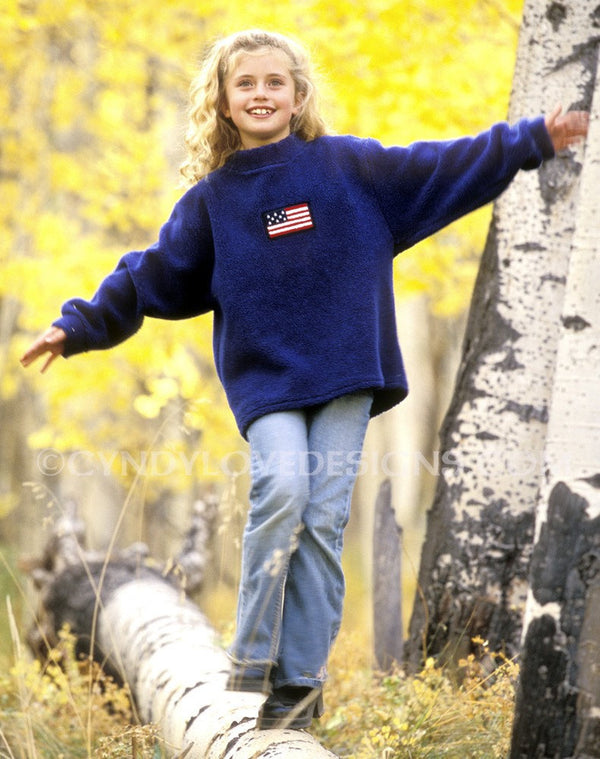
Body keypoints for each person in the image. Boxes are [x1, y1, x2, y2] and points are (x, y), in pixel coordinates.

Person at [21, 28, 589, 730]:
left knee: (322, 518)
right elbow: (148, 275)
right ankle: (252, 657)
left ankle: (300, 684)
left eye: (274, 82)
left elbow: (442, 165)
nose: (261, 94)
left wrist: (531, 138)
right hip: (269, 384)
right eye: (246, 84)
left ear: (297, 95)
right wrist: (78, 325)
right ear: (224, 104)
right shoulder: (213, 203)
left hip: (348, 371)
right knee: (283, 484)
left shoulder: (350, 170)